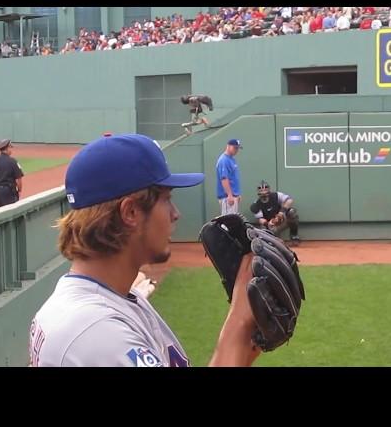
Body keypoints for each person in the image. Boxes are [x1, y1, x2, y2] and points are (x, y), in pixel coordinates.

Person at [28, 133, 260, 367]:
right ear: (130, 212)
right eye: (166, 199)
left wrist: (248, 341)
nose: (175, 213)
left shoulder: (115, 301)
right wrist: (238, 326)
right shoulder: (93, 331)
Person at [250, 180, 301, 246]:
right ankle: (273, 240)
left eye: (265, 189)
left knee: (292, 212)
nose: (263, 192)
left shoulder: (276, 195)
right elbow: (260, 220)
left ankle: (294, 236)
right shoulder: (255, 205)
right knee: (266, 234)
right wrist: (268, 223)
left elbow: (289, 200)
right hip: (270, 225)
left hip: (282, 220)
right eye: (261, 190)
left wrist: (281, 213)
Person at [0, 139, 24, 208]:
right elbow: (19, 179)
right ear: (7, 148)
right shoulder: (13, 161)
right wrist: (19, 190)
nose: (11, 149)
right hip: (9, 191)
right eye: (10, 147)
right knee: (12, 211)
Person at [216, 139, 242, 215]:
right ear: (228, 146)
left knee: (233, 221)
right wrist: (229, 195)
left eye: (237, 148)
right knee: (228, 222)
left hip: (233, 195)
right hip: (227, 197)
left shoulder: (231, 159)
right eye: (235, 148)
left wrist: (237, 194)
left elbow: (233, 178)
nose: (236, 150)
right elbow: (224, 178)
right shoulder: (223, 160)